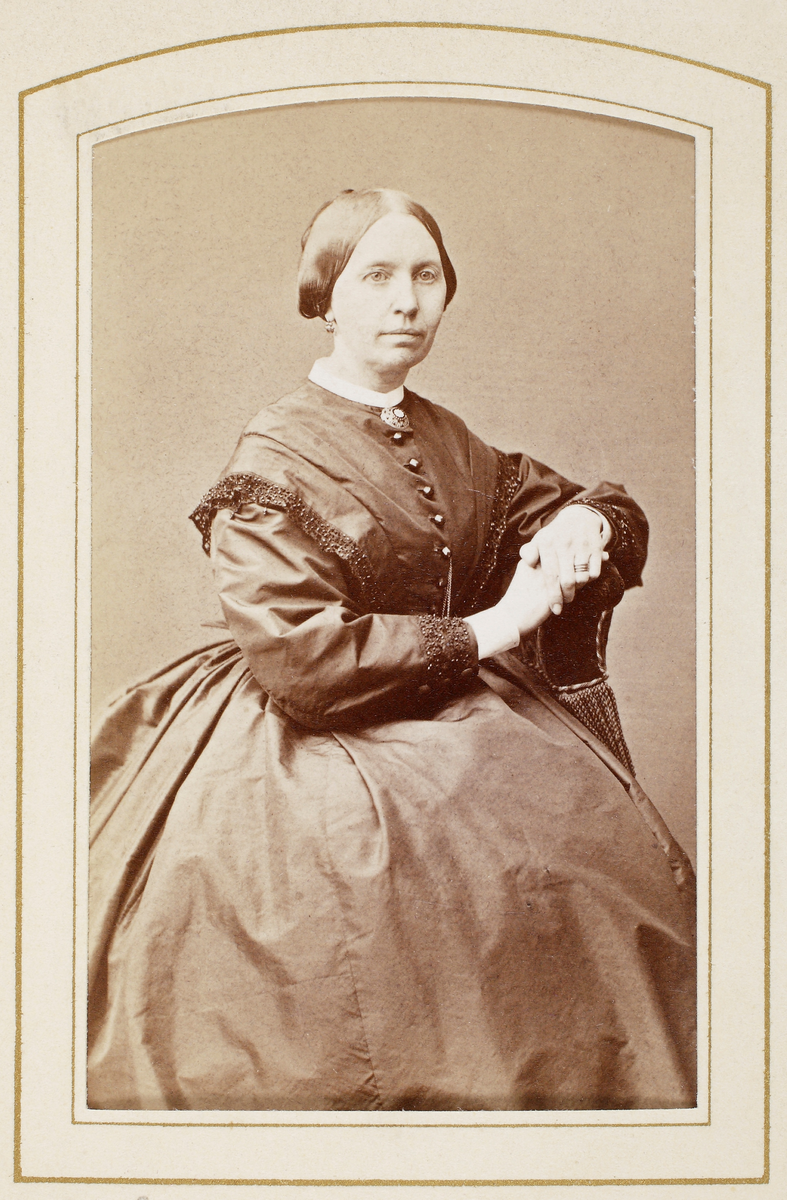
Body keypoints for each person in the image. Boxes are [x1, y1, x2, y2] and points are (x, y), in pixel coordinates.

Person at [88, 187, 696, 1112]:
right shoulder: (272, 456)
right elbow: (302, 662)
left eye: (425, 277)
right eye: (376, 277)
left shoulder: (449, 439)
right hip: (299, 732)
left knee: (582, 862)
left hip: (459, 715)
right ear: (326, 297)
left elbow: (564, 504)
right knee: (346, 923)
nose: (405, 302)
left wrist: (583, 522)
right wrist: (498, 626)